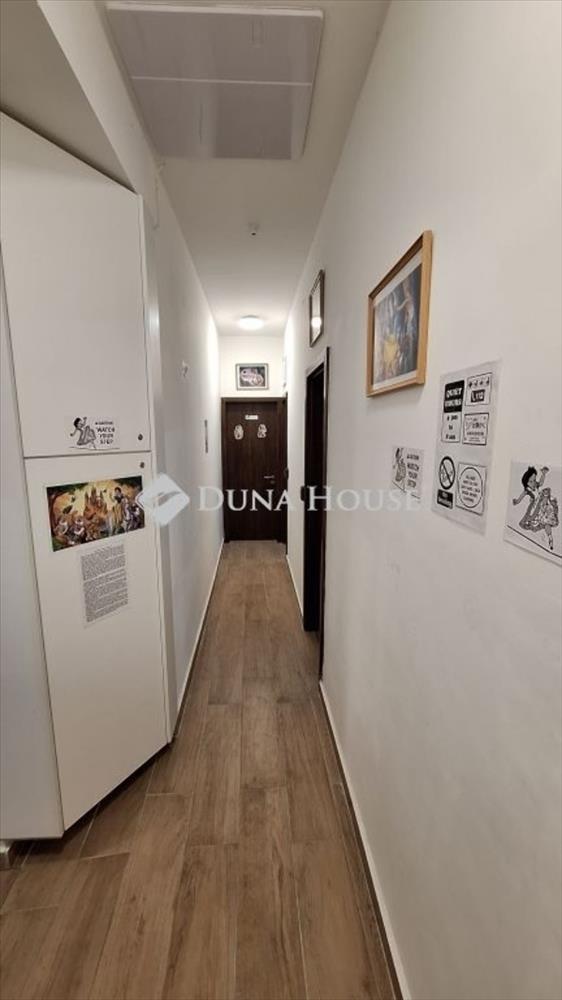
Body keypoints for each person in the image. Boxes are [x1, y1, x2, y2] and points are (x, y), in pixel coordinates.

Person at [512, 465, 559, 551]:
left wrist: (543, 474)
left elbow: (541, 483)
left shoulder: (536, 485)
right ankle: (549, 536)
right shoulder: (527, 490)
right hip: (535, 509)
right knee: (540, 521)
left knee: (547, 521)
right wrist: (516, 501)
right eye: (531, 481)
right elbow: (520, 497)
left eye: (534, 480)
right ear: (526, 483)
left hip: (542, 506)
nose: (533, 483)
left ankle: (550, 537)